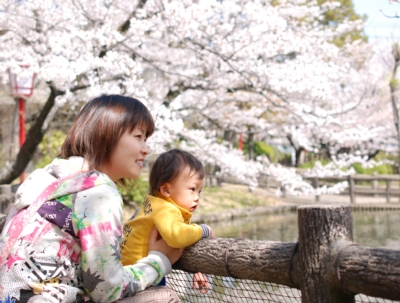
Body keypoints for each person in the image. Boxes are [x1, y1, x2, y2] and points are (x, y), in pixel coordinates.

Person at [0, 94, 183, 303]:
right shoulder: (98, 194)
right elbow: (107, 290)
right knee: (164, 297)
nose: (146, 149)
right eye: (138, 136)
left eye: (146, 139)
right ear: (108, 134)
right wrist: (158, 261)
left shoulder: (48, 180)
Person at [120, 149, 213, 293]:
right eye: (192, 189)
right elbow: (178, 236)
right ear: (166, 190)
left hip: (131, 271)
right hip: (142, 276)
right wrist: (204, 230)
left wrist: (197, 268)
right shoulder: (165, 209)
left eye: (199, 191)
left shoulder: (153, 204)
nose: (197, 197)